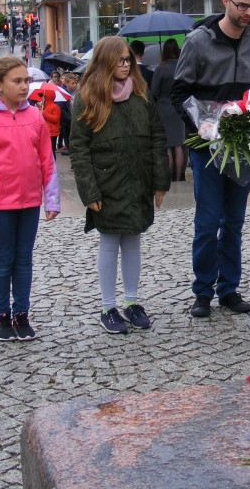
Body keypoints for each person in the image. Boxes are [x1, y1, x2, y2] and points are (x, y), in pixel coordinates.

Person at [172, 0, 250, 317]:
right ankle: (202, 291)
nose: (248, 13)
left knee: (234, 222)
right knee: (207, 221)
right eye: (242, 6)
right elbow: (179, 92)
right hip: (206, 148)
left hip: (244, 146)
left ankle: (229, 288)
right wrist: (201, 123)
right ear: (225, 2)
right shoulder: (198, 41)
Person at [70, 37, 170, 334]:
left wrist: (159, 182)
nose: (126, 65)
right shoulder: (87, 97)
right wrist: (89, 192)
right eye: (120, 60)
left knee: (133, 239)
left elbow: (156, 137)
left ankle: (132, 301)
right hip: (106, 181)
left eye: (128, 59)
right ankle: (107, 305)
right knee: (110, 241)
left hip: (137, 179)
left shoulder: (141, 93)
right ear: (105, 61)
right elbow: (79, 148)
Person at [0, 55, 60, 341]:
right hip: (0, 204)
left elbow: (47, 158)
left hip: (29, 201)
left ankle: (22, 313)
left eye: (26, 81)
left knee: (23, 259)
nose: (24, 86)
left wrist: (52, 199)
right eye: (17, 81)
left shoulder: (34, 116)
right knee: (3, 258)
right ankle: (2, 315)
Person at [150, 38, 187, 182]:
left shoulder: (161, 68)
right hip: (179, 108)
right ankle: (179, 177)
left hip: (164, 108)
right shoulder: (182, 67)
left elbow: (153, 92)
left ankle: (168, 177)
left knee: (167, 145)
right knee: (178, 144)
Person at [56, 71, 78, 154]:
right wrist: (68, 118)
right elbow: (61, 107)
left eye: (75, 83)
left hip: (75, 118)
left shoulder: (77, 93)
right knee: (66, 134)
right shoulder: (63, 93)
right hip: (66, 120)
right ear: (67, 83)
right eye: (72, 83)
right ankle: (68, 148)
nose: (74, 85)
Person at [40, 89, 61, 157]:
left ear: (46, 96)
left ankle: (53, 165)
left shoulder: (55, 107)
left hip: (52, 133)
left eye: (42, 96)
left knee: (51, 150)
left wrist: (44, 113)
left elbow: (55, 119)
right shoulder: (43, 107)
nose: (41, 98)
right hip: (44, 131)